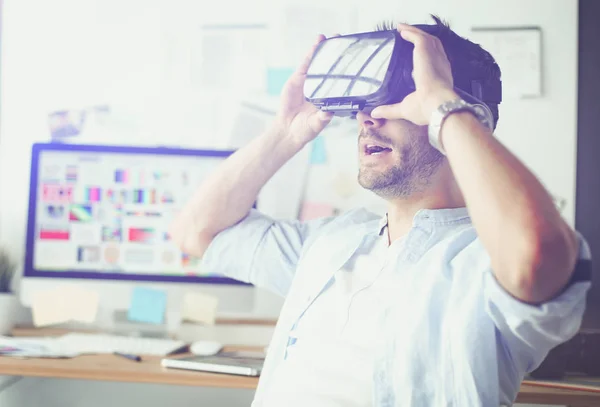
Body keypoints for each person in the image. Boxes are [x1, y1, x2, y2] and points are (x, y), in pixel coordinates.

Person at [170, 17, 591, 407]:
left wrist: (445, 109)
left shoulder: (480, 263)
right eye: (362, 104)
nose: (367, 118)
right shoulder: (330, 244)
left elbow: (536, 254)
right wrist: (286, 131)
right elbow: (197, 232)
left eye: (395, 100)